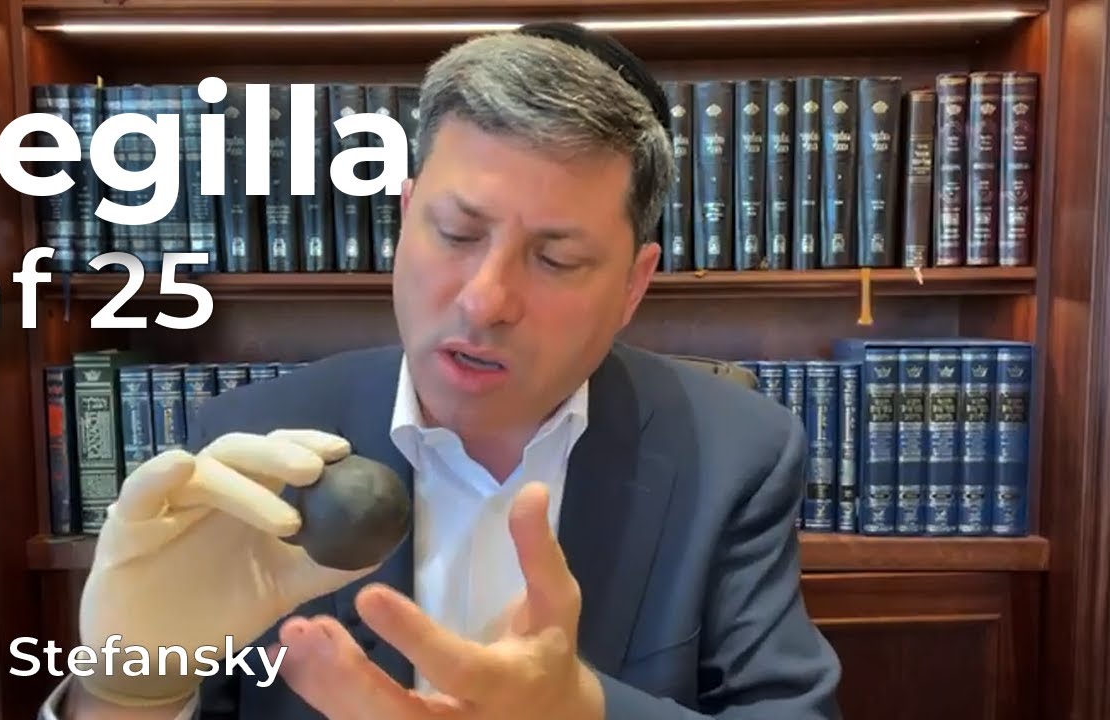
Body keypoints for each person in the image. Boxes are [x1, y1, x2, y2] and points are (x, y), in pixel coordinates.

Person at [41, 21, 842, 720]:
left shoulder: (733, 454)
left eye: (556, 259)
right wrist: (131, 688)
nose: (485, 300)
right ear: (404, 217)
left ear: (633, 285)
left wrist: (581, 710)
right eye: (456, 233)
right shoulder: (250, 443)